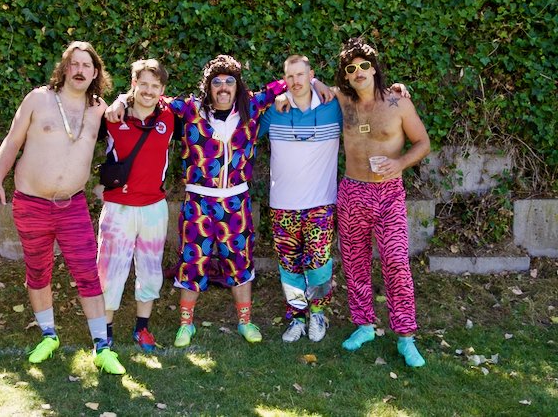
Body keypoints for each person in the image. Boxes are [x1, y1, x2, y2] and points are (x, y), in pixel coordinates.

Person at [106, 54, 332, 347]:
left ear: (237, 86)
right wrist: (121, 99)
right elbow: (152, 96)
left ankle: (245, 321)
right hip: (199, 202)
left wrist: (315, 81)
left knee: (240, 262)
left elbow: (286, 83)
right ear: (208, 86)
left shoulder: (251, 106)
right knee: (192, 262)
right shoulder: (191, 109)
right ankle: (186, 325)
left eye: (229, 81)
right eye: (216, 82)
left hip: (235, 202)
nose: (223, 87)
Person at [0, 41, 125, 375]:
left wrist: (121, 100)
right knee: (37, 271)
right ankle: (48, 336)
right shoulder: (39, 99)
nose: (79, 70)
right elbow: (12, 141)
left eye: (87, 65)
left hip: (72, 205)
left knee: (87, 272)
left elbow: (133, 110)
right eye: (74, 63)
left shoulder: (98, 108)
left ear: (95, 72)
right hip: (31, 203)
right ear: (64, 68)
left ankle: (102, 348)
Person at [334, 37, 430, 367]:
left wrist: (400, 163)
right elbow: (307, 85)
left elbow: (423, 142)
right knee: (354, 263)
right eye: (351, 69)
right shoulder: (343, 101)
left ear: (374, 69)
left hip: (388, 193)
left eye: (364, 65)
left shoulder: (397, 103)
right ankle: (364, 325)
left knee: (396, 262)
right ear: (346, 76)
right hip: (352, 191)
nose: (358, 72)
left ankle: (405, 337)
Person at [258, 55, 342, 343]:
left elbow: (365, 98)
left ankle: (317, 313)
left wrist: (398, 90)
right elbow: (244, 130)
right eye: (289, 76)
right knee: (289, 266)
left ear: (311, 75)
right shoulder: (276, 110)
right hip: (283, 205)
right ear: (284, 80)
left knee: (320, 265)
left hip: (320, 203)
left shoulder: (333, 107)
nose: (296, 81)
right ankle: (296, 316)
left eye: (301, 75)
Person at [97, 59, 178, 353]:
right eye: (143, 84)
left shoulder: (169, 115)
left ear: (162, 89)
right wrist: (119, 101)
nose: (148, 91)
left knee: (150, 270)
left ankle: (142, 328)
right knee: (110, 270)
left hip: (154, 207)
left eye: (155, 86)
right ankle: (104, 332)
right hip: (118, 207)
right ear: (133, 84)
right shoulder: (112, 117)